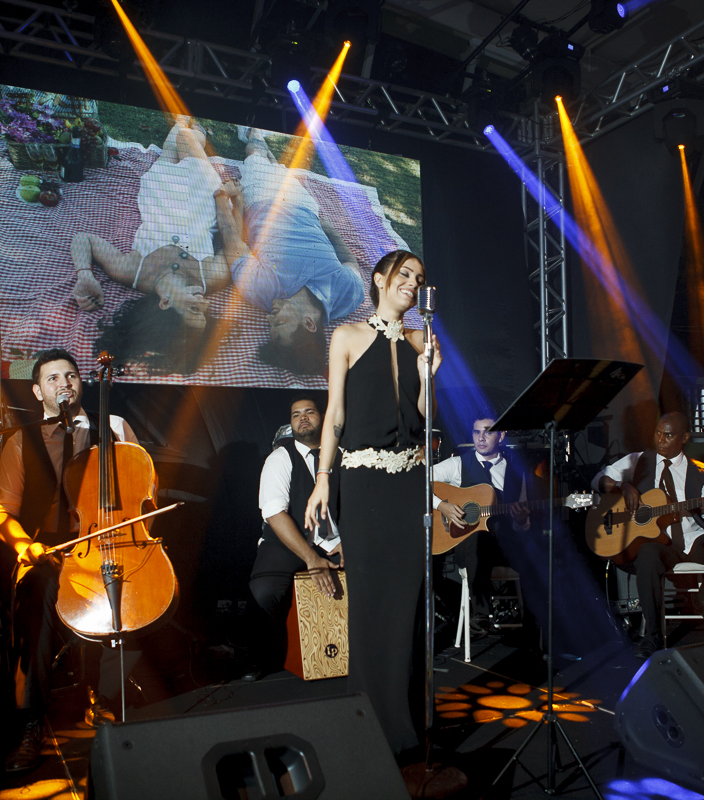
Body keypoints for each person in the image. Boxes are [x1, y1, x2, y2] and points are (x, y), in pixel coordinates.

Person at [304, 249, 440, 755]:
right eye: (405, 273)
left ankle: (407, 725)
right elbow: (334, 415)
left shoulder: (421, 340)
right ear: (380, 278)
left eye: (419, 278)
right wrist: (322, 479)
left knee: (406, 604)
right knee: (369, 606)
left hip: (408, 486)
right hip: (361, 486)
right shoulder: (346, 336)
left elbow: (423, 417)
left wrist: (428, 377)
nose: (412, 282)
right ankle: (367, 723)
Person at [0, 348, 139, 771]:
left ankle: (106, 700)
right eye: (53, 378)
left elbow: (142, 486)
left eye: (71, 376)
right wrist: (25, 547)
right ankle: (31, 721)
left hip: (106, 543)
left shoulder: (113, 427)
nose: (64, 384)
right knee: (36, 599)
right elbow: (3, 510)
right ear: (38, 391)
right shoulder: (21, 442)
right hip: (48, 551)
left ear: (81, 383)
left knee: (132, 597)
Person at [69, 117, 234, 375]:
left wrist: (85, 275)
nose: (205, 305)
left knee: (176, 142)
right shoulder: (210, 278)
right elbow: (236, 246)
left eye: (194, 309)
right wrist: (230, 203)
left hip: (159, 195)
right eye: (205, 313)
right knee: (186, 139)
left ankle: (185, 120)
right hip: (201, 197)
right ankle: (194, 126)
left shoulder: (133, 272)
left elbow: (84, 239)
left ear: (165, 303)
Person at [211, 126, 365, 375]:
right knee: (280, 169)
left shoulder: (263, 290)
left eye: (269, 325)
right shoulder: (349, 295)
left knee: (256, 155)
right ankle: (260, 140)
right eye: (279, 323)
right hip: (305, 207)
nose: (269, 318)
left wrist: (222, 197)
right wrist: (325, 225)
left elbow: (231, 242)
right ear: (309, 324)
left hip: (262, 201)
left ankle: (253, 133)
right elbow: (349, 260)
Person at [592, 412, 704, 659]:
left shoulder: (702, 472)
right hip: (661, 547)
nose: (660, 440)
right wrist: (623, 485)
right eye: (658, 433)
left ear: (684, 437)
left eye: (669, 435)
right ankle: (652, 635)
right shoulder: (637, 461)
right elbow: (598, 478)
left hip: (693, 541)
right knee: (648, 553)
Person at [246, 395, 344, 680]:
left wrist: (349, 542)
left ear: (322, 418)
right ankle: (261, 658)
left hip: (333, 541)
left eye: (309, 412)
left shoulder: (342, 456)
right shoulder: (280, 457)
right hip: (286, 542)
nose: (302, 417)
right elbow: (275, 514)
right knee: (264, 592)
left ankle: (363, 651)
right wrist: (311, 558)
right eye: (295, 414)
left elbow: (356, 505)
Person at [432, 412, 531, 633]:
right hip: (467, 545)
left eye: (488, 432)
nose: (481, 438)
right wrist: (442, 506)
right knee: (479, 538)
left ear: (502, 436)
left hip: (505, 545)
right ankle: (480, 614)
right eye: (477, 432)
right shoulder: (459, 464)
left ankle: (533, 630)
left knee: (536, 555)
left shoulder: (516, 473)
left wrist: (521, 520)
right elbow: (420, 481)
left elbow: (521, 526)